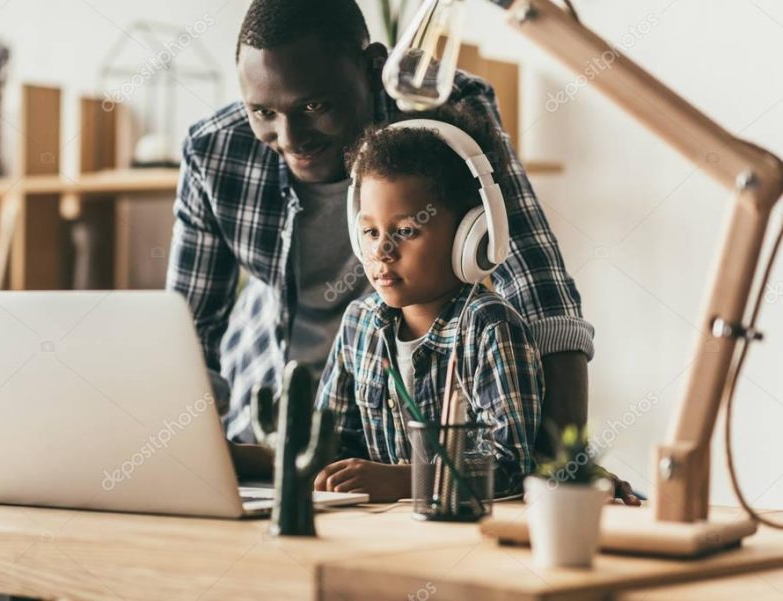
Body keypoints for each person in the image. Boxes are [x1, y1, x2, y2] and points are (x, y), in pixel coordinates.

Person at [166, 0, 639, 504]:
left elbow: (539, 292)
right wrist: (186, 453)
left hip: (415, 449)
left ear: (373, 67)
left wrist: (565, 469)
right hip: (286, 434)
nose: (289, 138)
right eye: (263, 112)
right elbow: (184, 333)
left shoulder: (440, 115)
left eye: (314, 107)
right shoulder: (214, 149)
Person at [313, 107, 542, 501]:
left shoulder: (489, 327)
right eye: (369, 231)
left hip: (463, 538)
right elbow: (330, 446)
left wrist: (404, 480)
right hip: (378, 532)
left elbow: (510, 466)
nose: (381, 250)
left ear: (471, 237)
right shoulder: (359, 324)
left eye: (405, 231)